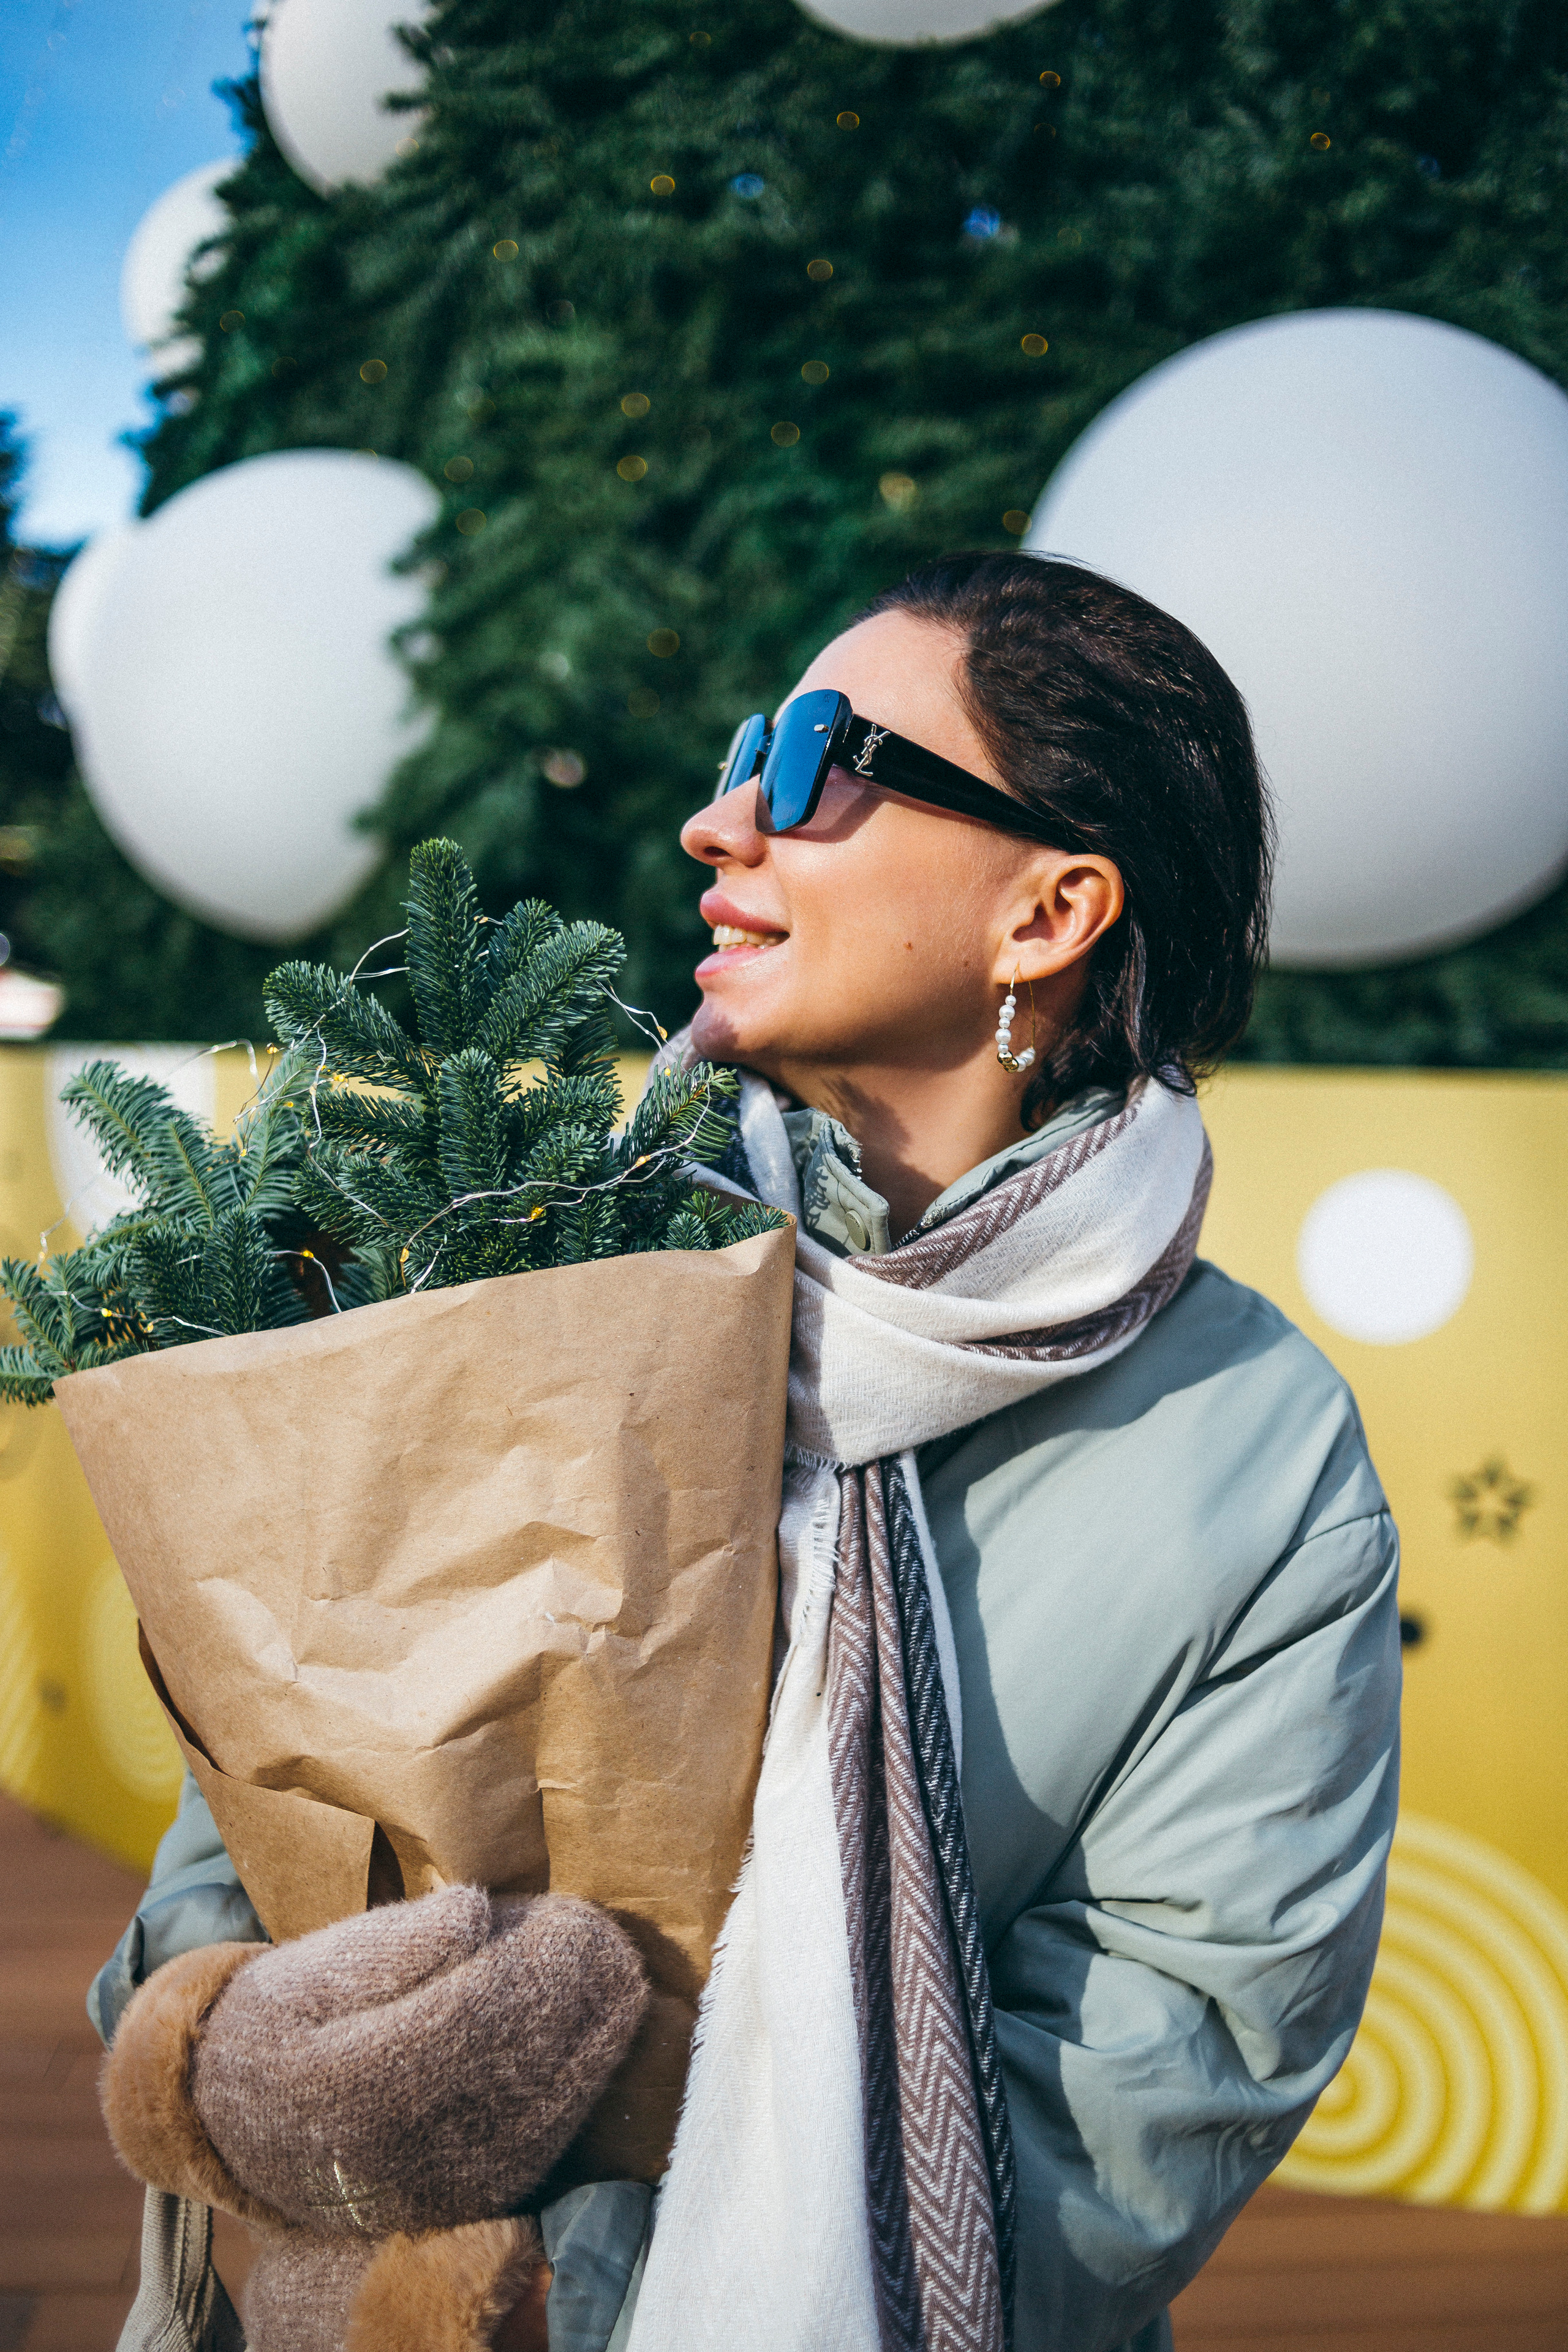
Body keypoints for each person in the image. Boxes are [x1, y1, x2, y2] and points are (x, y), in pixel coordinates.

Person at [95, 552, 1400, 2352]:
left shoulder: (1256, 1451)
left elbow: (1166, 2081)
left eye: (816, 763)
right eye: (745, 752)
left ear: (1049, 913)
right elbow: (251, 1787)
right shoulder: (527, 1244)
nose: (723, 821)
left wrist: (616, 2168)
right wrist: (246, 2054)